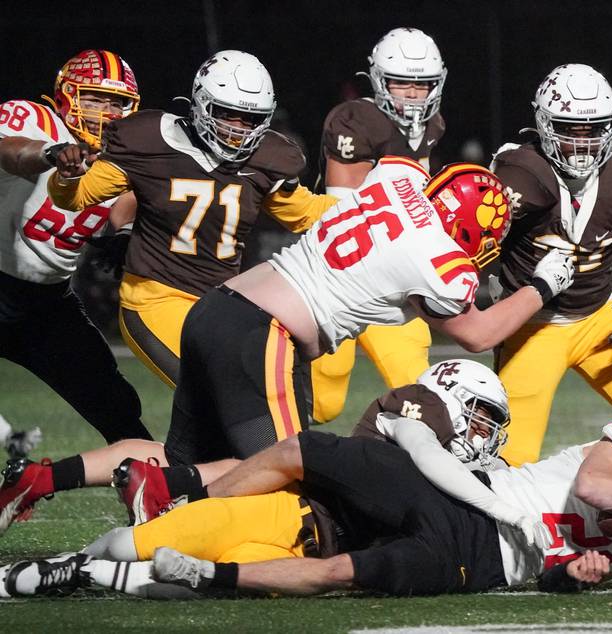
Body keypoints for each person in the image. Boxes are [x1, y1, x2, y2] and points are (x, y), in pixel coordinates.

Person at [0, 161, 574, 529]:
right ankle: (165, 500)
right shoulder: (445, 263)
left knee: (187, 457)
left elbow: (385, 248)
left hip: (216, 309)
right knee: (284, 470)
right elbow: (476, 333)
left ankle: (40, 478)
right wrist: (545, 284)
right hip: (264, 333)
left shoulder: (393, 182)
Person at [0, 423, 612, 598]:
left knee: (340, 574)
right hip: (467, 499)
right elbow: (596, 487)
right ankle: (187, 493)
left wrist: (578, 575)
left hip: (485, 564)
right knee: (310, 448)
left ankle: (210, 580)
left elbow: (561, 577)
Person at [47, 50, 337, 388]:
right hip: (156, 298)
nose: (238, 130)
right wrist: (66, 176)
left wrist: (375, 202)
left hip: (221, 301)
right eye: (228, 114)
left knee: (267, 390)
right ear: (201, 104)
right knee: (218, 395)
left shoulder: (266, 159)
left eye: (250, 119)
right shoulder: (151, 141)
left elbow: (306, 214)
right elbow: (78, 196)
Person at [490, 63, 612, 465]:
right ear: (544, 125)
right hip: (533, 327)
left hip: (600, 316)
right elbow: (472, 246)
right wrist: (490, 291)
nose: (582, 143)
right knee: (508, 461)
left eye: (593, 129)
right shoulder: (517, 174)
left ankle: (589, 481)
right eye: (568, 129)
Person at [0, 49, 151, 444]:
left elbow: (124, 209)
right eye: (94, 98)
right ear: (67, 94)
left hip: (47, 305)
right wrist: (50, 154)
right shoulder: (36, 120)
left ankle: (156, 493)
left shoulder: (128, 155)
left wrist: (123, 238)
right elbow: (12, 153)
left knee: (115, 404)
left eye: (115, 102)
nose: (104, 111)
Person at [311, 27, 448, 424]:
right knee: (323, 401)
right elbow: (344, 212)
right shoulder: (355, 120)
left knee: (422, 392)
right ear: (378, 80)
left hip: (394, 278)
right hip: (339, 273)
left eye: (422, 84)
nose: (411, 92)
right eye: (401, 81)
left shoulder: (433, 124)